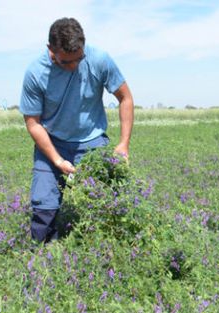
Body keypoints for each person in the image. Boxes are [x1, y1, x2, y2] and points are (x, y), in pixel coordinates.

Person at [20, 17, 134, 243]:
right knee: (44, 208)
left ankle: (108, 257)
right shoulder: (34, 73)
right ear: (50, 50)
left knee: (109, 205)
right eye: (65, 62)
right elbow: (33, 123)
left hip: (93, 143)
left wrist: (123, 143)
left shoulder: (99, 59)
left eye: (78, 59)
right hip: (52, 143)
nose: (73, 67)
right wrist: (57, 160)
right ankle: (44, 263)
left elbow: (125, 98)